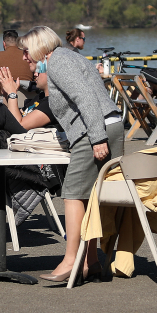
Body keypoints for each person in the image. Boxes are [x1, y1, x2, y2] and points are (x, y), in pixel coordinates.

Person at [18, 25, 123, 283]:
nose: (23, 57)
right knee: (90, 196)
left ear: (39, 48)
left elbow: (85, 97)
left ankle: (70, 261)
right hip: (108, 125)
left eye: (25, 51)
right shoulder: (68, 58)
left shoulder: (57, 62)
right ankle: (91, 262)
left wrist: (97, 137)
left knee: (73, 193)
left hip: (95, 130)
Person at [0, 64, 61, 130]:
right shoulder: (40, 97)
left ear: (52, 74)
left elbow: (19, 126)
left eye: (39, 71)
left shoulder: (52, 103)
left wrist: (12, 93)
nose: (35, 74)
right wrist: (6, 94)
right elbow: (13, 116)